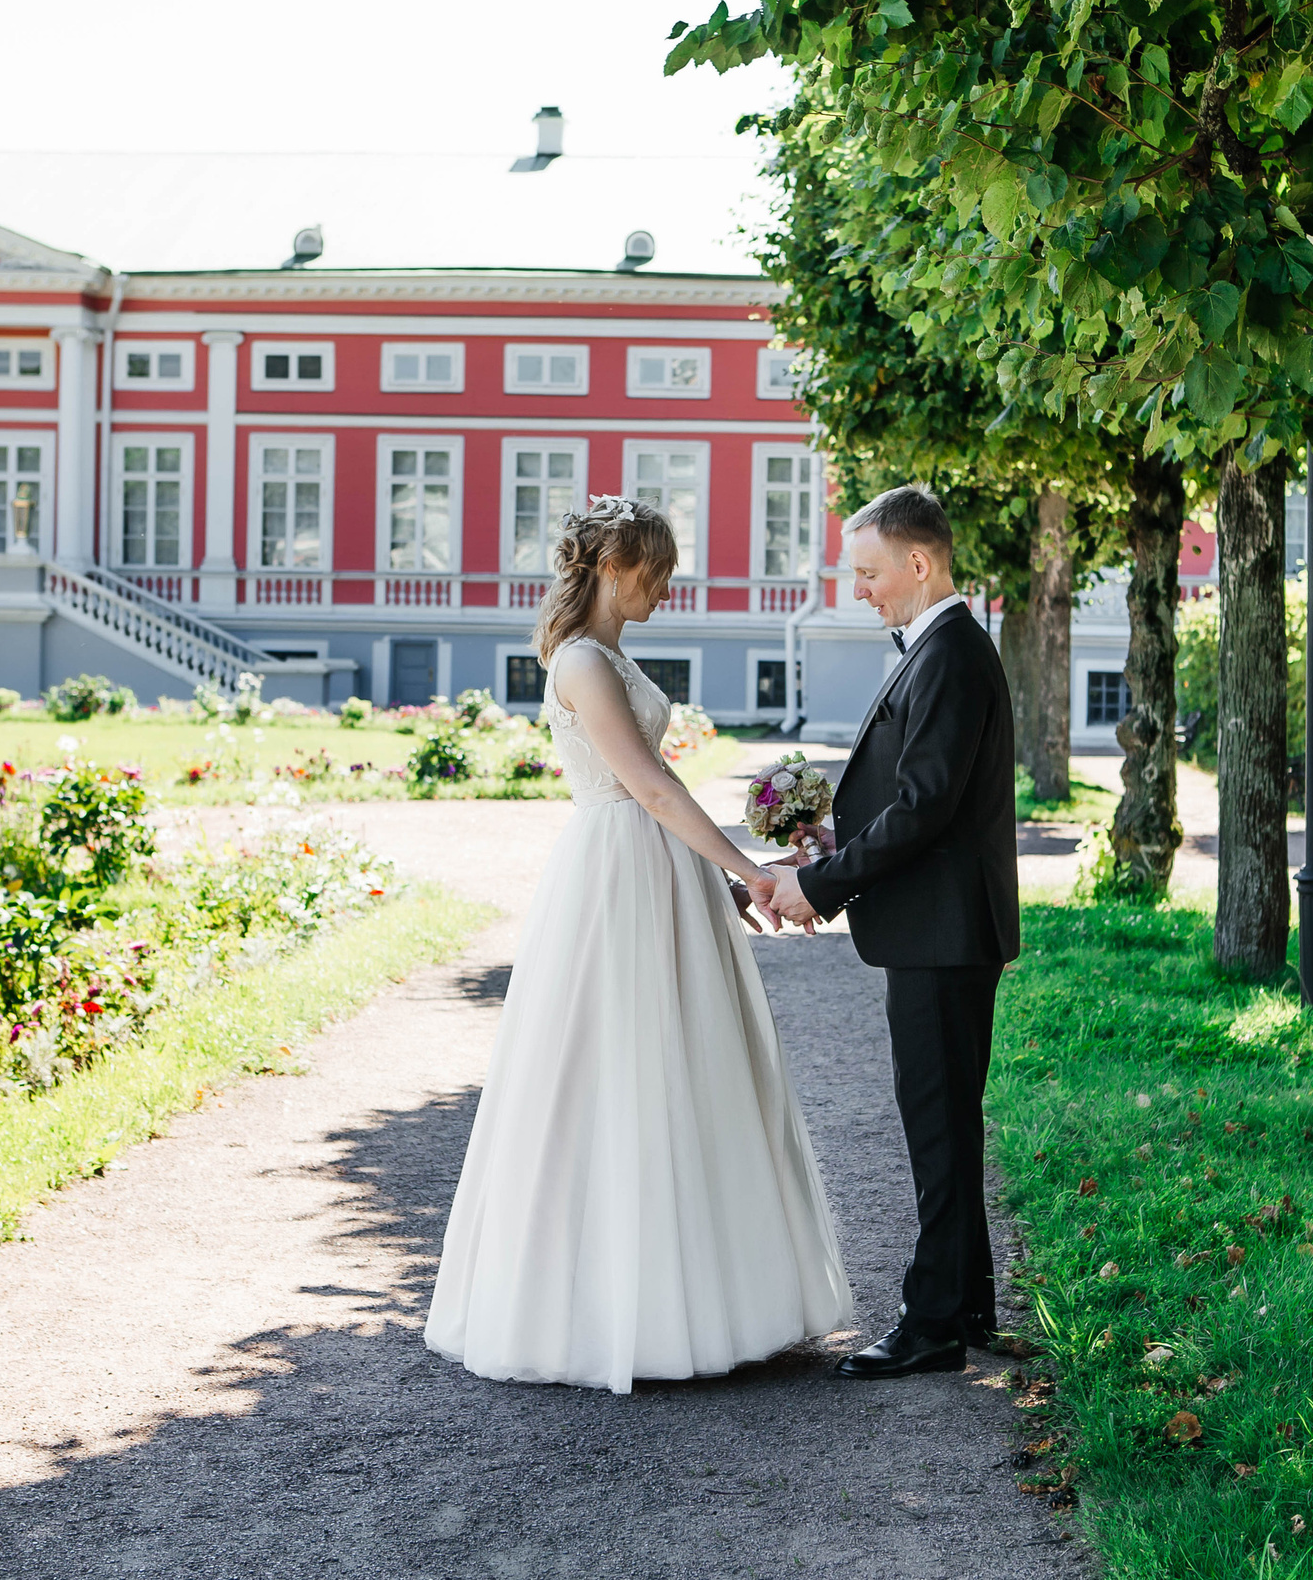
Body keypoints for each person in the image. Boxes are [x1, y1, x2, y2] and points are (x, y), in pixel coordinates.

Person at [425, 495, 850, 1394]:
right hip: (617, 870)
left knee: (684, 1068)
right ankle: (609, 1310)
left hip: (655, 869)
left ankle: (700, 1299)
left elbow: (660, 793)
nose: (668, 583)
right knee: (615, 1071)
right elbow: (651, 788)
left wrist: (727, 877)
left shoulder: (609, 653)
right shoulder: (582, 659)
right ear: (613, 567)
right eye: (656, 567)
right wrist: (751, 866)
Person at [766, 485, 1020, 1379]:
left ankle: (932, 1324)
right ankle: (970, 1303)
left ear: (920, 562)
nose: (859, 589)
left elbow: (923, 808)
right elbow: (918, 802)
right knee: (947, 1118)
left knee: (937, 1127)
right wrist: (834, 839)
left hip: (942, 933)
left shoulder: (949, 650)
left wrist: (817, 886)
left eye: (869, 572)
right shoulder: (940, 646)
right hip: (939, 927)